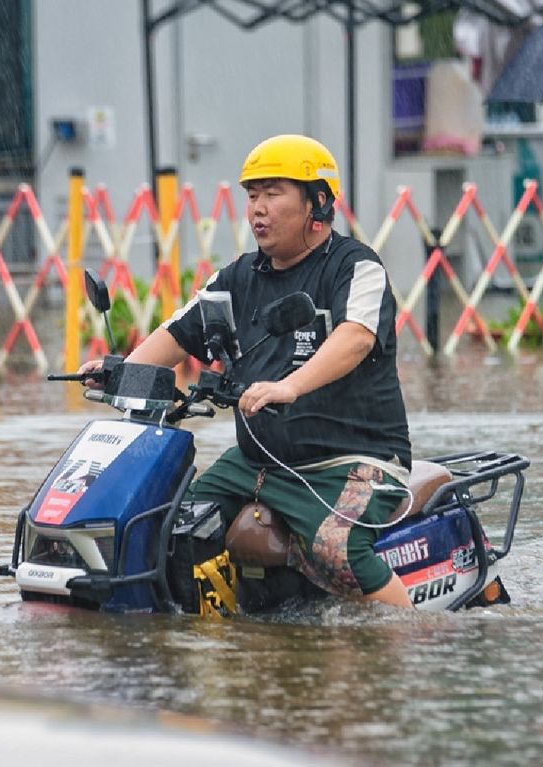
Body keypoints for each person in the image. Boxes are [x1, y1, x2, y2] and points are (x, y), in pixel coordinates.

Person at [81, 134, 413, 608]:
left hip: (351, 463)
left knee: (337, 548)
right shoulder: (237, 278)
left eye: (273, 192)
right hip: (255, 466)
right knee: (170, 524)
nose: (258, 208)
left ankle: (417, 639)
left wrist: (289, 386)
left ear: (318, 201)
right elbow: (178, 332)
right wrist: (119, 372)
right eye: (252, 194)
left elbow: (356, 336)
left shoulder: (355, 267)